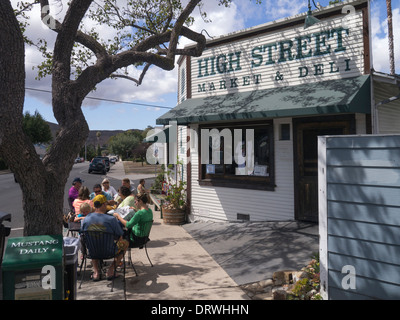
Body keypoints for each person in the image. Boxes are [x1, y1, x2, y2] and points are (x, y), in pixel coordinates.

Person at [81, 194, 129, 281]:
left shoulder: (86, 219)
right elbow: (120, 234)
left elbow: (82, 233)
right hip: (109, 251)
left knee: (93, 243)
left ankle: (96, 272)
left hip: (92, 252)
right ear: (103, 205)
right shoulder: (111, 220)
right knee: (125, 243)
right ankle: (111, 270)